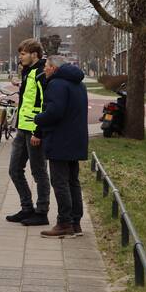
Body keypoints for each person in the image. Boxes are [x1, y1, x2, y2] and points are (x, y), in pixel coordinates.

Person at [34, 56, 88, 238]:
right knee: (73, 182)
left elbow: (54, 112)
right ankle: (75, 223)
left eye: (47, 67)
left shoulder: (57, 84)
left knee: (59, 182)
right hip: (76, 139)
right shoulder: (79, 84)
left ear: (55, 68)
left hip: (60, 139)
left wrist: (38, 118)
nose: (45, 70)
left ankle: (64, 222)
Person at [5, 39, 51, 227]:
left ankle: (42, 212)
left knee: (39, 172)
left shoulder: (41, 74)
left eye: (23, 54)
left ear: (34, 54)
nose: (20, 57)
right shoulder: (29, 72)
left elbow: (45, 104)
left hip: (34, 131)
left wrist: (38, 132)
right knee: (14, 170)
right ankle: (26, 208)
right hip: (22, 129)